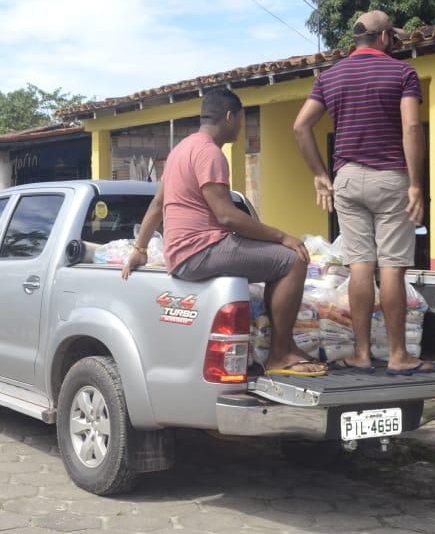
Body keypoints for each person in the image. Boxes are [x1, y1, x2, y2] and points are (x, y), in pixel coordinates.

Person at [122, 89, 322, 376]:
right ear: (230, 117)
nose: (241, 126)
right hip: (203, 251)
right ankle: (280, 353)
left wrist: (139, 250)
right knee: (293, 260)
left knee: (276, 255)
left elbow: (157, 203)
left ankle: (280, 346)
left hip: (181, 255)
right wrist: (283, 237)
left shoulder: (180, 150)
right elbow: (227, 216)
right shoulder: (210, 153)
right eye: (240, 119)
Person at [292, 10, 429, 376]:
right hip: (391, 178)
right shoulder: (402, 73)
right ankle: (398, 355)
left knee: (360, 267)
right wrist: (416, 183)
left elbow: (300, 126)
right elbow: (412, 128)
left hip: (348, 178)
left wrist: (320, 174)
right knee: (392, 269)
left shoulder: (330, 76)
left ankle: (362, 353)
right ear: (384, 38)